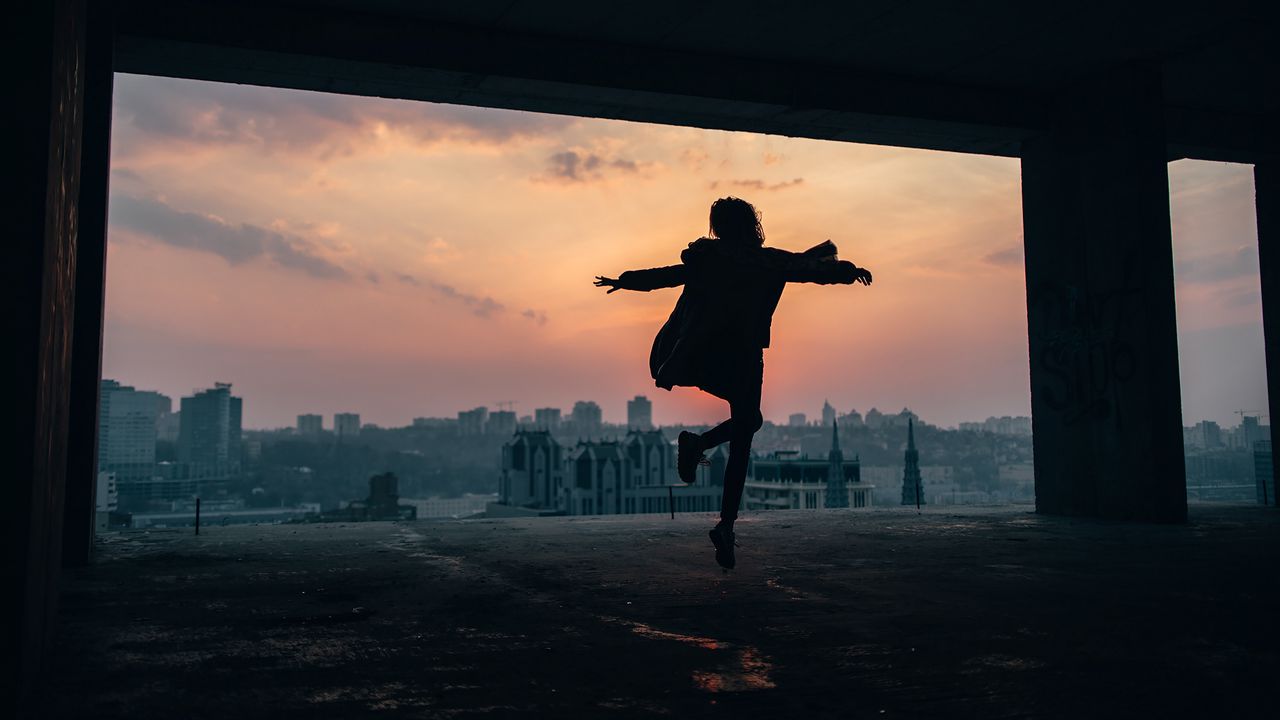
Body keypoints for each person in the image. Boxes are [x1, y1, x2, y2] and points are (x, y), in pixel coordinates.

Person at [594, 197, 872, 569]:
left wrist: (624, 281)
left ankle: (722, 516)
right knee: (745, 434)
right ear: (751, 224)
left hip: (704, 353)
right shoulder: (765, 260)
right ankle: (721, 509)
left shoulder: (708, 259)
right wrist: (847, 271)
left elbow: (666, 276)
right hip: (743, 357)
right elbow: (807, 268)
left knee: (747, 428)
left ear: (718, 226)